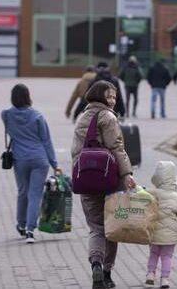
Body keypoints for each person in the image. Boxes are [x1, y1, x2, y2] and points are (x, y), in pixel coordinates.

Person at [71, 81, 136, 289]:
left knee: (96, 228)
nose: (113, 101)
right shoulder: (108, 117)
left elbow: (76, 151)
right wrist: (126, 174)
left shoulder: (82, 117)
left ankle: (96, 263)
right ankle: (106, 272)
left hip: (87, 179)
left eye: (115, 97)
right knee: (112, 227)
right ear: (99, 96)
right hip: (108, 180)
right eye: (110, 97)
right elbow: (117, 147)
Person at [1, 84, 61, 244]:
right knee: (35, 194)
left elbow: (11, 130)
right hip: (39, 159)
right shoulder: (37, 117)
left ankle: (20, 224)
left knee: (22, 192)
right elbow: (46, 141)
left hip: (20, 160)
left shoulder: (6, 115)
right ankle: (30, 230)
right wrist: (55, 164)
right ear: (28, 96)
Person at [145, 161, 177, 289]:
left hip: (153, 234)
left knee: (153, 254)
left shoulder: (150, 194)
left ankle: (150, 275)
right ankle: (165, 279)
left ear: (156, 178)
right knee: (166, 256)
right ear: (174, 178)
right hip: (169, 237)